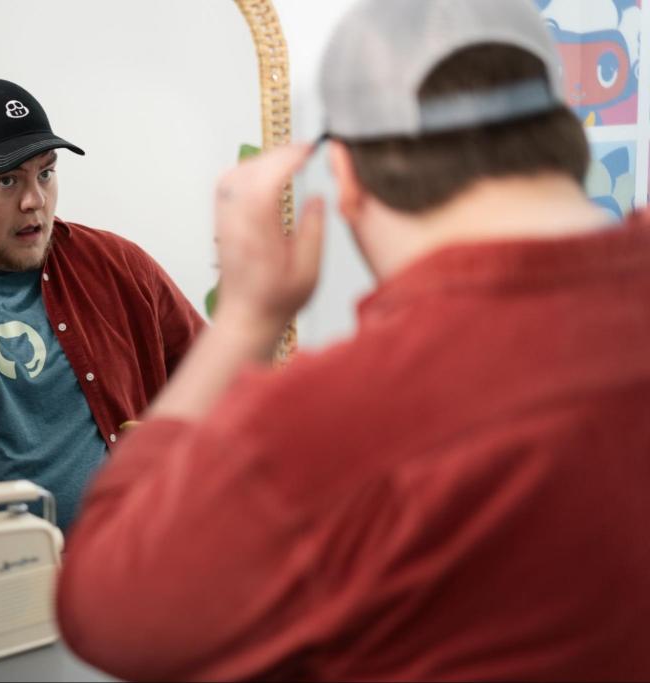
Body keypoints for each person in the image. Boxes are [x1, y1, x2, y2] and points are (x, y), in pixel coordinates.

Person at [56, 0, 650, 679]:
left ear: (347, 180)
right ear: (563, 134)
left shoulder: (336, 418)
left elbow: (105, 608)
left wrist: (249, 317)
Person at [0, 78, 204, 531]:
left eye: (46, 173)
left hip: (124, 563)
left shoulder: (116, 264)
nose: (34, 201)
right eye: (7, 180)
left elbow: (221, 379)